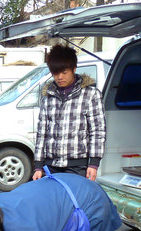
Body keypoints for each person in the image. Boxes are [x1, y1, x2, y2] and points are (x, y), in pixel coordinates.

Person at [33, 44, 106, 182]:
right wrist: (38, 166)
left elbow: (98, 130)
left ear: (73, 69)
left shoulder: (91, 95)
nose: (59, 77)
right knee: (52, 202)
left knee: (74, 202)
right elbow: (42, 133)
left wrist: (94, 163)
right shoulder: (48, 97)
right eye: (55, 73)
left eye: (64, 72)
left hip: (78, 166)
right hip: (51, 165)